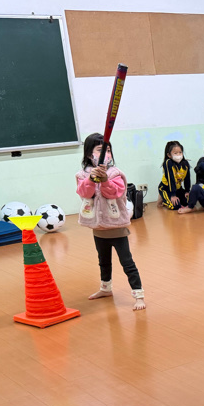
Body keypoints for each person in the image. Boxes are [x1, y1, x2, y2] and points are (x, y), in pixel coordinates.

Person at [75, 133, 145, 310]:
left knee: (127, 262)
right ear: (89, 154)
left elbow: (114, 193)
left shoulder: (115, 173)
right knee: (103, 261)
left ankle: (139, 295)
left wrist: (105, 180)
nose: (106, 153)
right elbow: (85, 193)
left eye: (108, 150)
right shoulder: (82, 174)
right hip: (98, 228)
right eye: (100, 150)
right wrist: (91, 179)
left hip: (116, 227)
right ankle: (105, 289)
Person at [158, 141, 191, 210]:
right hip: (166, 188)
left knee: (189, 202)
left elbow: (187, 178)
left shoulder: (185, 163)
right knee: (175, 206)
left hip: (178, 188)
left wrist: (187, 191)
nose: (178, 155)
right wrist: (173, 195)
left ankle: (167, 198)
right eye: (175, 153)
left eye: (180, 152)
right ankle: (162, 197)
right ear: (169, 155)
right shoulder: (168, 163)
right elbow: (171, 179)